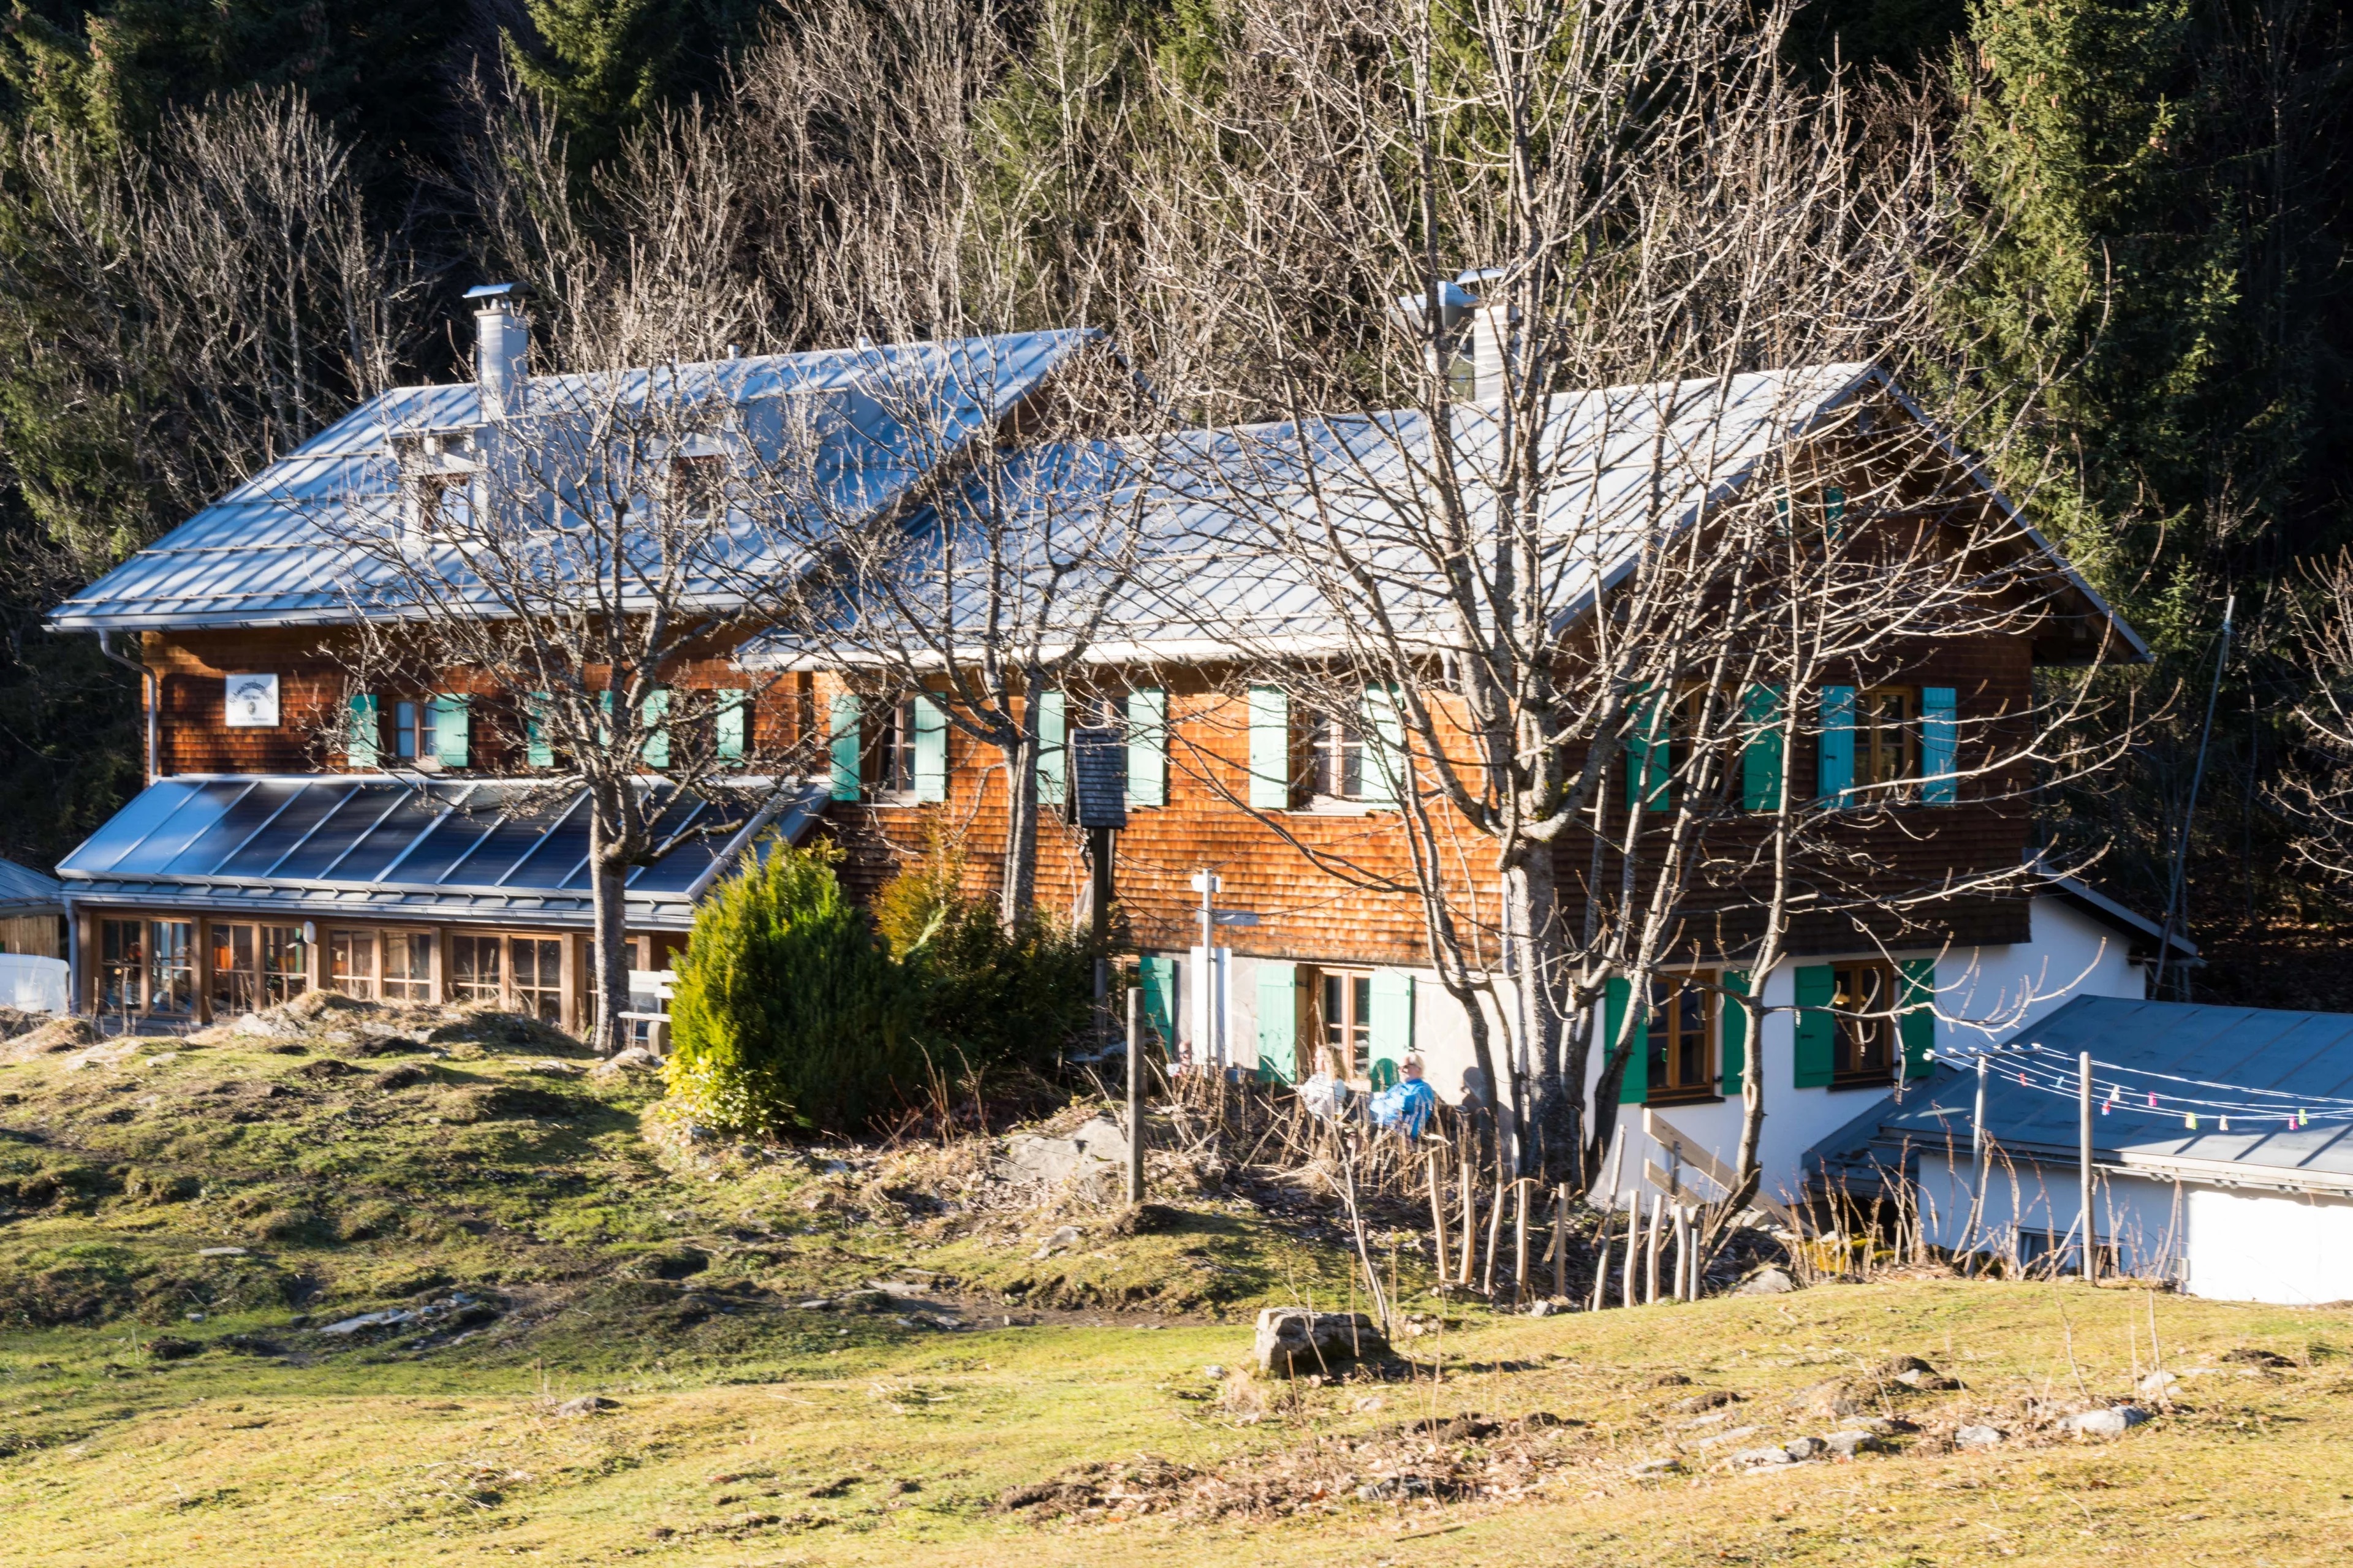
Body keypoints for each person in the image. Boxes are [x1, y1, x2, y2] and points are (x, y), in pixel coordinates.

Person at [1368, 1053, 1438, 1137]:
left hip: (1402, 1134)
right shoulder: (1397, 1087)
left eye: (1405, 1067)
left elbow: (1405, 1104)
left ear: (1418, 1068)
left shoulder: (1424, 1088)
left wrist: (1386, 1103)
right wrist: (1394, 1106)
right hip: (1380, 1127)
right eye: (1399, 1068)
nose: (1400, 1071)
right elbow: (1374, 1105)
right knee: (1355, 1132)